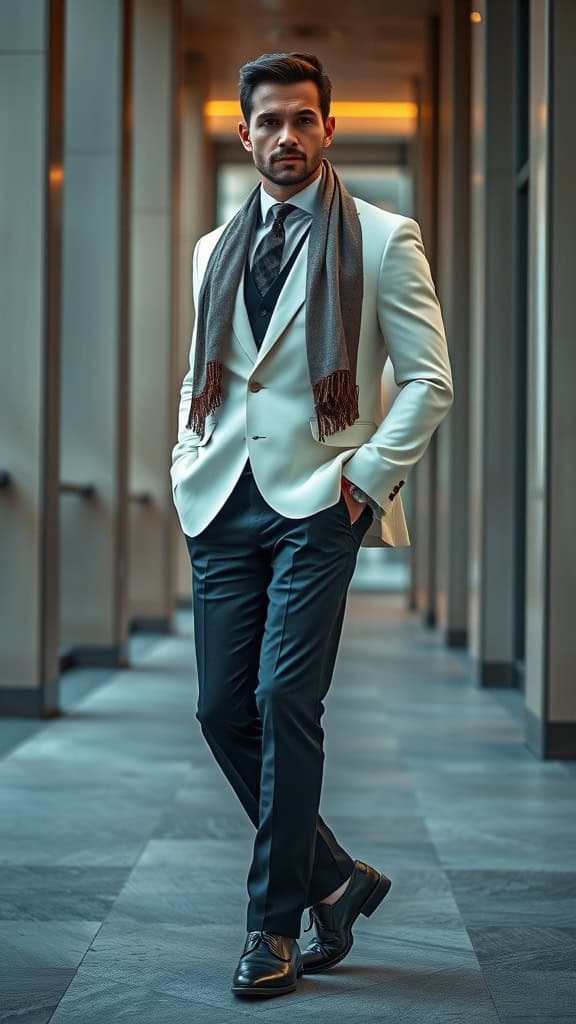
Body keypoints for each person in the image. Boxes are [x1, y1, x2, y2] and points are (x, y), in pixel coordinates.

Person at [170, 52, 453, 999]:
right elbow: (205, 375)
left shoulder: (381, 238)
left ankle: (272, 927)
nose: (285, 136)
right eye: (268, 122)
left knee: (286, 702)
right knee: (221, 709)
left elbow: (428, 380)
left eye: (303, 119)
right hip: (223, 504)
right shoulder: (212, 249)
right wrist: (184, 465)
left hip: (319, 502)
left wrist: (367, 478)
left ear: (329, 129)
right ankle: (335, 879)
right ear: (244, 135)